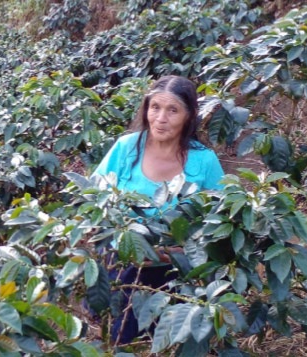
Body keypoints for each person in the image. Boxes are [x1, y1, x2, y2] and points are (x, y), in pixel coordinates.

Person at [91, 75, 225, 344]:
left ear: (189, 116)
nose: (161, 118)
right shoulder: (126, 148)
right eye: (155, 107)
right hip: (123, 265)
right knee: (121, 340)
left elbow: (221, 221)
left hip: (176, 274)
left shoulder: (204, 161)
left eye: (172, 110)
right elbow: (94, 200)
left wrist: (178, 252)